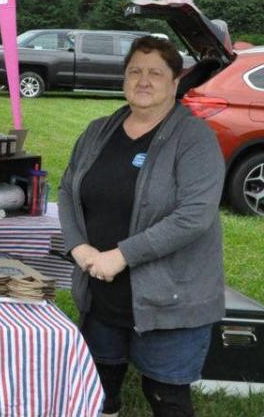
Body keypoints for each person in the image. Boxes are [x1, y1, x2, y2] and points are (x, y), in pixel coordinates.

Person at [58, 35, 225, 417]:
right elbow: (68, 190)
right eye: (135, 71)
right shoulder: (98, 130)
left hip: (169, 298)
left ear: (175, 80)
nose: (144, 80)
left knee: (167, 399)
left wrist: (122, 255)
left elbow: (194, 215)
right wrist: (78, 247)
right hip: (102, 292)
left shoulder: (195, 138)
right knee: (98, 391)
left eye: (155, 72)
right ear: (124, 78)